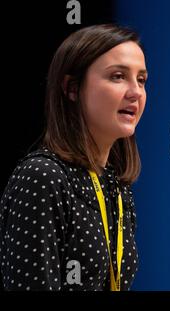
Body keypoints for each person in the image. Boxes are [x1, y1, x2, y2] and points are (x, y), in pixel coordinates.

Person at [0, 24, 147, 290]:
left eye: (141, 80)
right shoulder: (42, 178)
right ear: (71, 88)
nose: (135, 91)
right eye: (117, 76)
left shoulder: (116, 186)